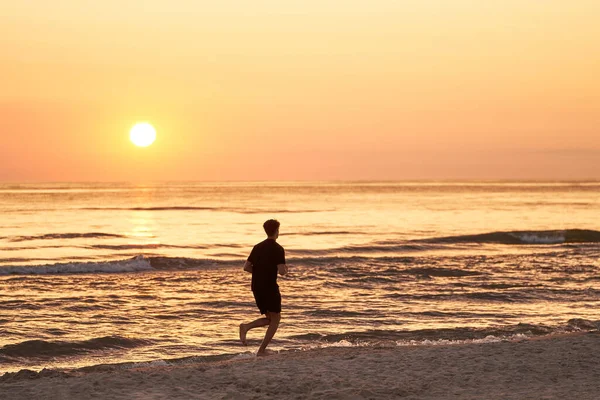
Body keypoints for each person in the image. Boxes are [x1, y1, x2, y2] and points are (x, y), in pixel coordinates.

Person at [239, 219, 288, 356]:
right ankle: (261, 350)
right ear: (277, 231)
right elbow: (282, 271)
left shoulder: (257, 247)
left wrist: (260, 272)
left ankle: (246, 327)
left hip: (256, 287)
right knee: (276, 319)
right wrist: (286, 269)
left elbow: (246, 267)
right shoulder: (278, 249)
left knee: (271, 319)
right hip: (269, 287)